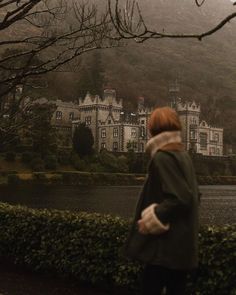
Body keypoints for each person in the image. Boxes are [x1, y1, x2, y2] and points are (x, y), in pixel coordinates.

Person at [124, 107, 199, 295]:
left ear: (152, 128)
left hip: (165, 248)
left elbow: (180, 198)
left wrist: (151, 218)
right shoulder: (183, 155)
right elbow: (195, 196)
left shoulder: (163, 156)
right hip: (182, 244)